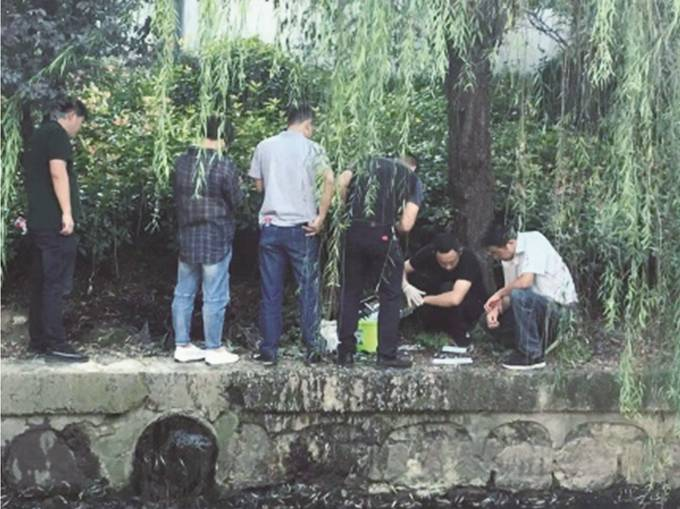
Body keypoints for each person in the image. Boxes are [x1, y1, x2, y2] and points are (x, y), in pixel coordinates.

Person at [248, 103, 334, 366]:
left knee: (270, 291)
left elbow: (258, 185)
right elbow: (329, 180)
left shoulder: (264, 146)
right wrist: (321, 217)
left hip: (271, 227)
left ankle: (269, 350)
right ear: (307, 124)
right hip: (302, 229)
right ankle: (312, 348)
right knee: (308, 290)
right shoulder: (313, 148)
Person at [336, 155, 423, 368]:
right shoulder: (412, 179)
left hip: (353, 231)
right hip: (382, 234)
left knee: (350, 291)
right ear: (412, 167)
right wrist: (395, 224)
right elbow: (407, 224)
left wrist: (345, 208)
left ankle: (345, 353)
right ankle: (386, 355)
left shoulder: (364, 163)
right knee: (390, 294)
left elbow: (340, 183)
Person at [171, 116, 241, 365]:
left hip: (187, 236)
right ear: (224, 139)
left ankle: (182, 345)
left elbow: (174, 195)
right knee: (214, 295)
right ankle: (214, 348)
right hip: (216, 237)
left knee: (183, 292)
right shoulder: (225, 165)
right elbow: (237, 200)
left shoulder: (181, 162)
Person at [25, 98, 89, 362]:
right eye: (80, 123)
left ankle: (39, 340)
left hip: (38, 222)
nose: (78, 129)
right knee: (55, 283)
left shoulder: (39, 135)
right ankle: (56, 343)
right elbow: (57, 172)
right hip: (55, 224)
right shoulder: (57, 134)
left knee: (41, 282)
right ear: (72, 115)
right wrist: (67, 213)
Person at [481, 224, 578, 370]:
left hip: (558, 311)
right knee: (487, 319)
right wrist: (496, 309)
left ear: (510, 243)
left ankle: (531, 355)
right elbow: (509, 297)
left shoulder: (534, 241)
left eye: (495, 252)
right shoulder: (507, 258)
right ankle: (531, 344)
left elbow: (525, 282)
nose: (495, 257)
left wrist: (499, 293)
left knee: (520, 295)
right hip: (532, 310)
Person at [403, 233, 488, 348]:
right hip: (436, 299)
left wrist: (423, 300)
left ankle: (461, 336)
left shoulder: (468, 259)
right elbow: (402, 268)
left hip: (469, 303)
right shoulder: (428, 252)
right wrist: (406, 286)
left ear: (459, 253)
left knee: (448, 288)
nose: (448, 267)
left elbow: (455, 299)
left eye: (452, 262)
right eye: (443, 263)